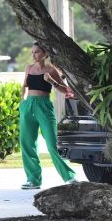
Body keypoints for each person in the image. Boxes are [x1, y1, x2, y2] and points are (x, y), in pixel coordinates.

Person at [19, 42, 77, 189]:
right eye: (32, 52)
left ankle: (69, 177)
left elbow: (67, 90)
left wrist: (51, 81)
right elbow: (24, 86)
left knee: (52, 144)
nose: (34, 55)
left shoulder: (51, 70)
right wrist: (22, 103)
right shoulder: (29, 68)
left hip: (44, 106)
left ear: (45, 54)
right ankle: (33, 179)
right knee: (27, 144)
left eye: (37, 52)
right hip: (28, 106)